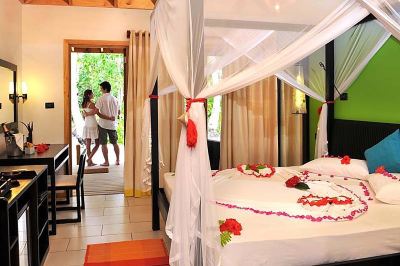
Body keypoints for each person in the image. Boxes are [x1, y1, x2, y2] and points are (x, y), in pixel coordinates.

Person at [95, 81, 120, 166]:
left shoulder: (101, 98)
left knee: (104, 144)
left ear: (105, 89)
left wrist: (107, 117)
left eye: (101, 88)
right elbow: (119, 111)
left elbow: (96, 112)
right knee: (115, 143)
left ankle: (106, 162)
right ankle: (117, 160)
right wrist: (113, 118)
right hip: (113, 125)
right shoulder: (115, 99)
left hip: (103, 125)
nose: (100, 90)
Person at [81, 89, 100, 167]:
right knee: (97, 143)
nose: (93, 94)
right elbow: (96, 112)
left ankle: (90, 162)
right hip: (93, 123)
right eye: (92, 93)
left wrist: (87, 114)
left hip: (87, 124)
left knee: (88, 145)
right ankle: (89, 159)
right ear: (89, 95)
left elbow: (84, 115)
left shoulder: (83, 104)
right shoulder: (92, 104)